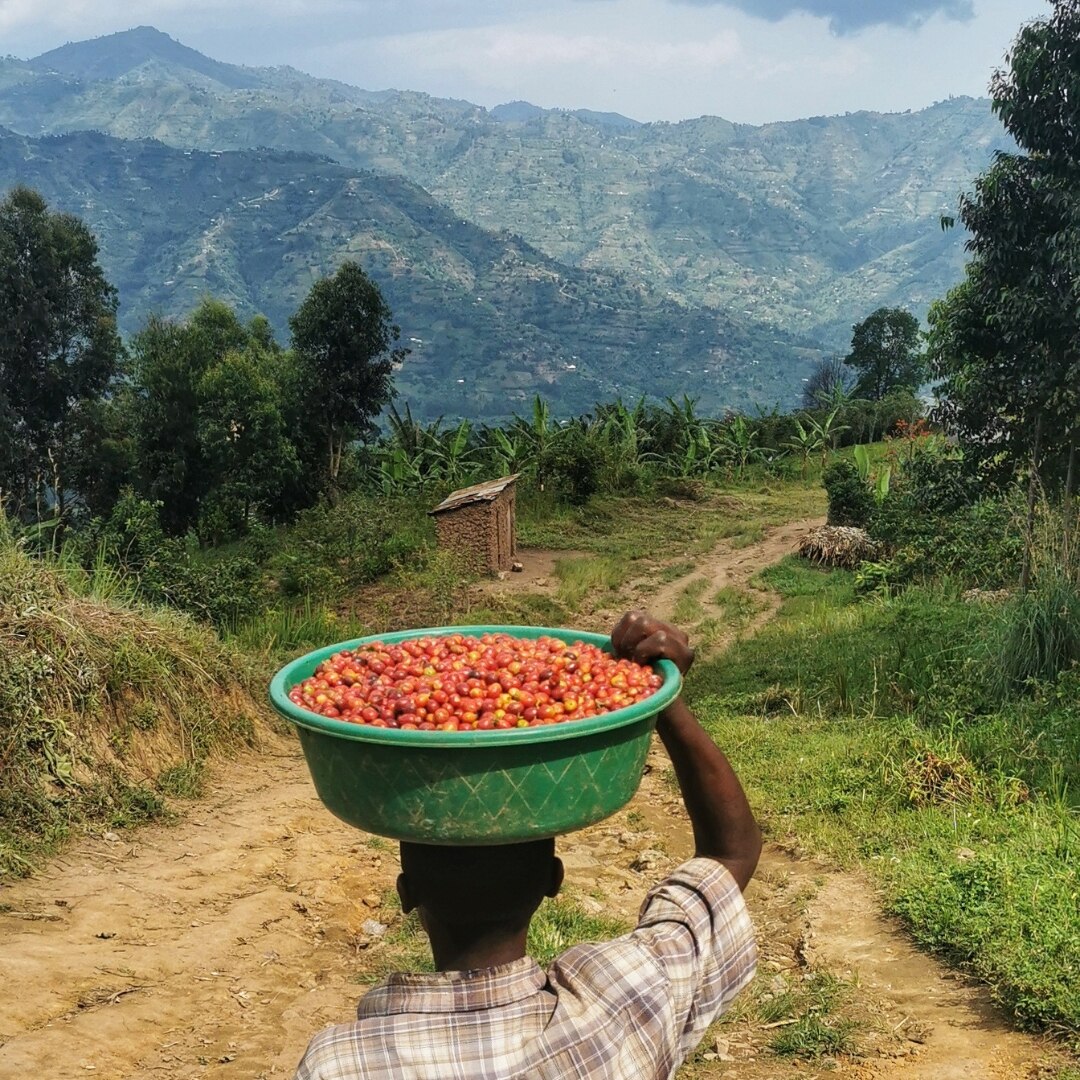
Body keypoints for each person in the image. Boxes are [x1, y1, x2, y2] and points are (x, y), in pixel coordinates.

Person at [294, 611, 762, 1079]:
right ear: (552, 881)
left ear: (405, 891)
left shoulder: (338, 1064)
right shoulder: (621, 1003)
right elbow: (730, 853)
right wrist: (665, 697)